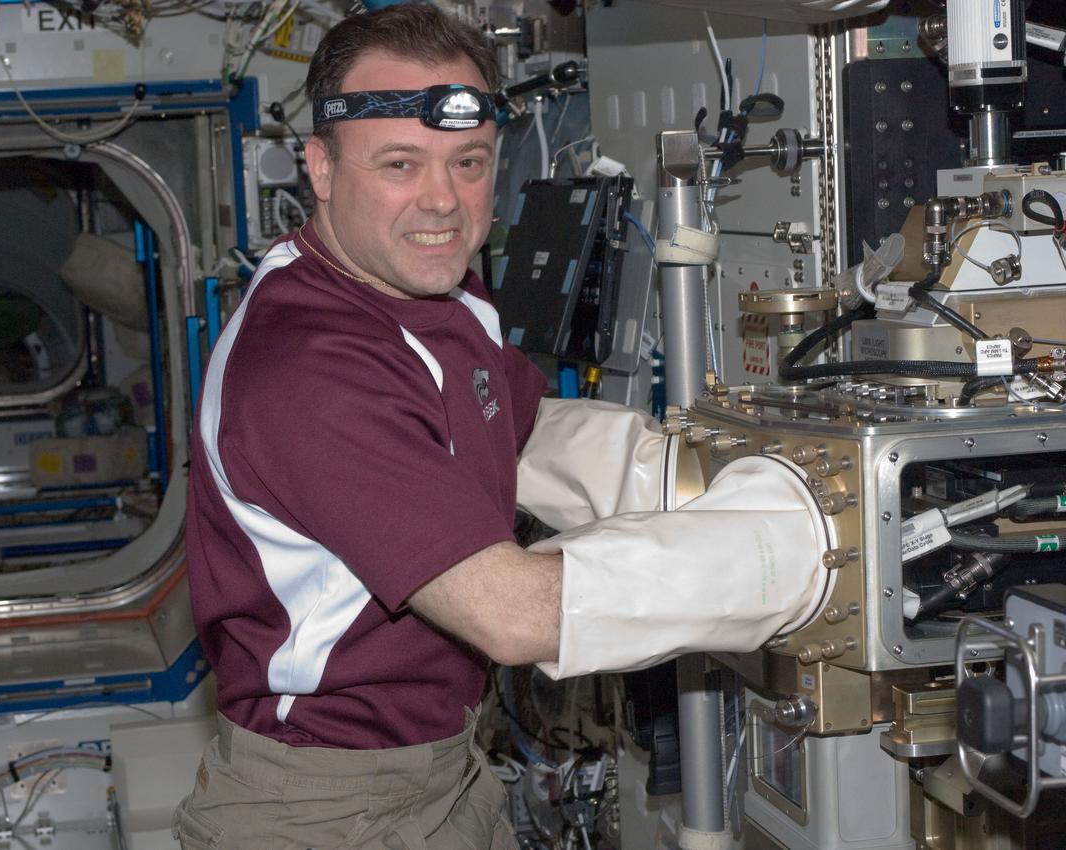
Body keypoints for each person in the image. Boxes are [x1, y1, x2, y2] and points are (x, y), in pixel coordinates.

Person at [174, 4, 827, 848]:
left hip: (446, 773)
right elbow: (512, 616)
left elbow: (515, 429)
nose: (442, 201)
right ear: (321, 168)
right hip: (323, 806)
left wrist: (685, 472)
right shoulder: (307, 366)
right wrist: (800, 552)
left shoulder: (437, 292)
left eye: (469, 161)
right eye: (400, 164)